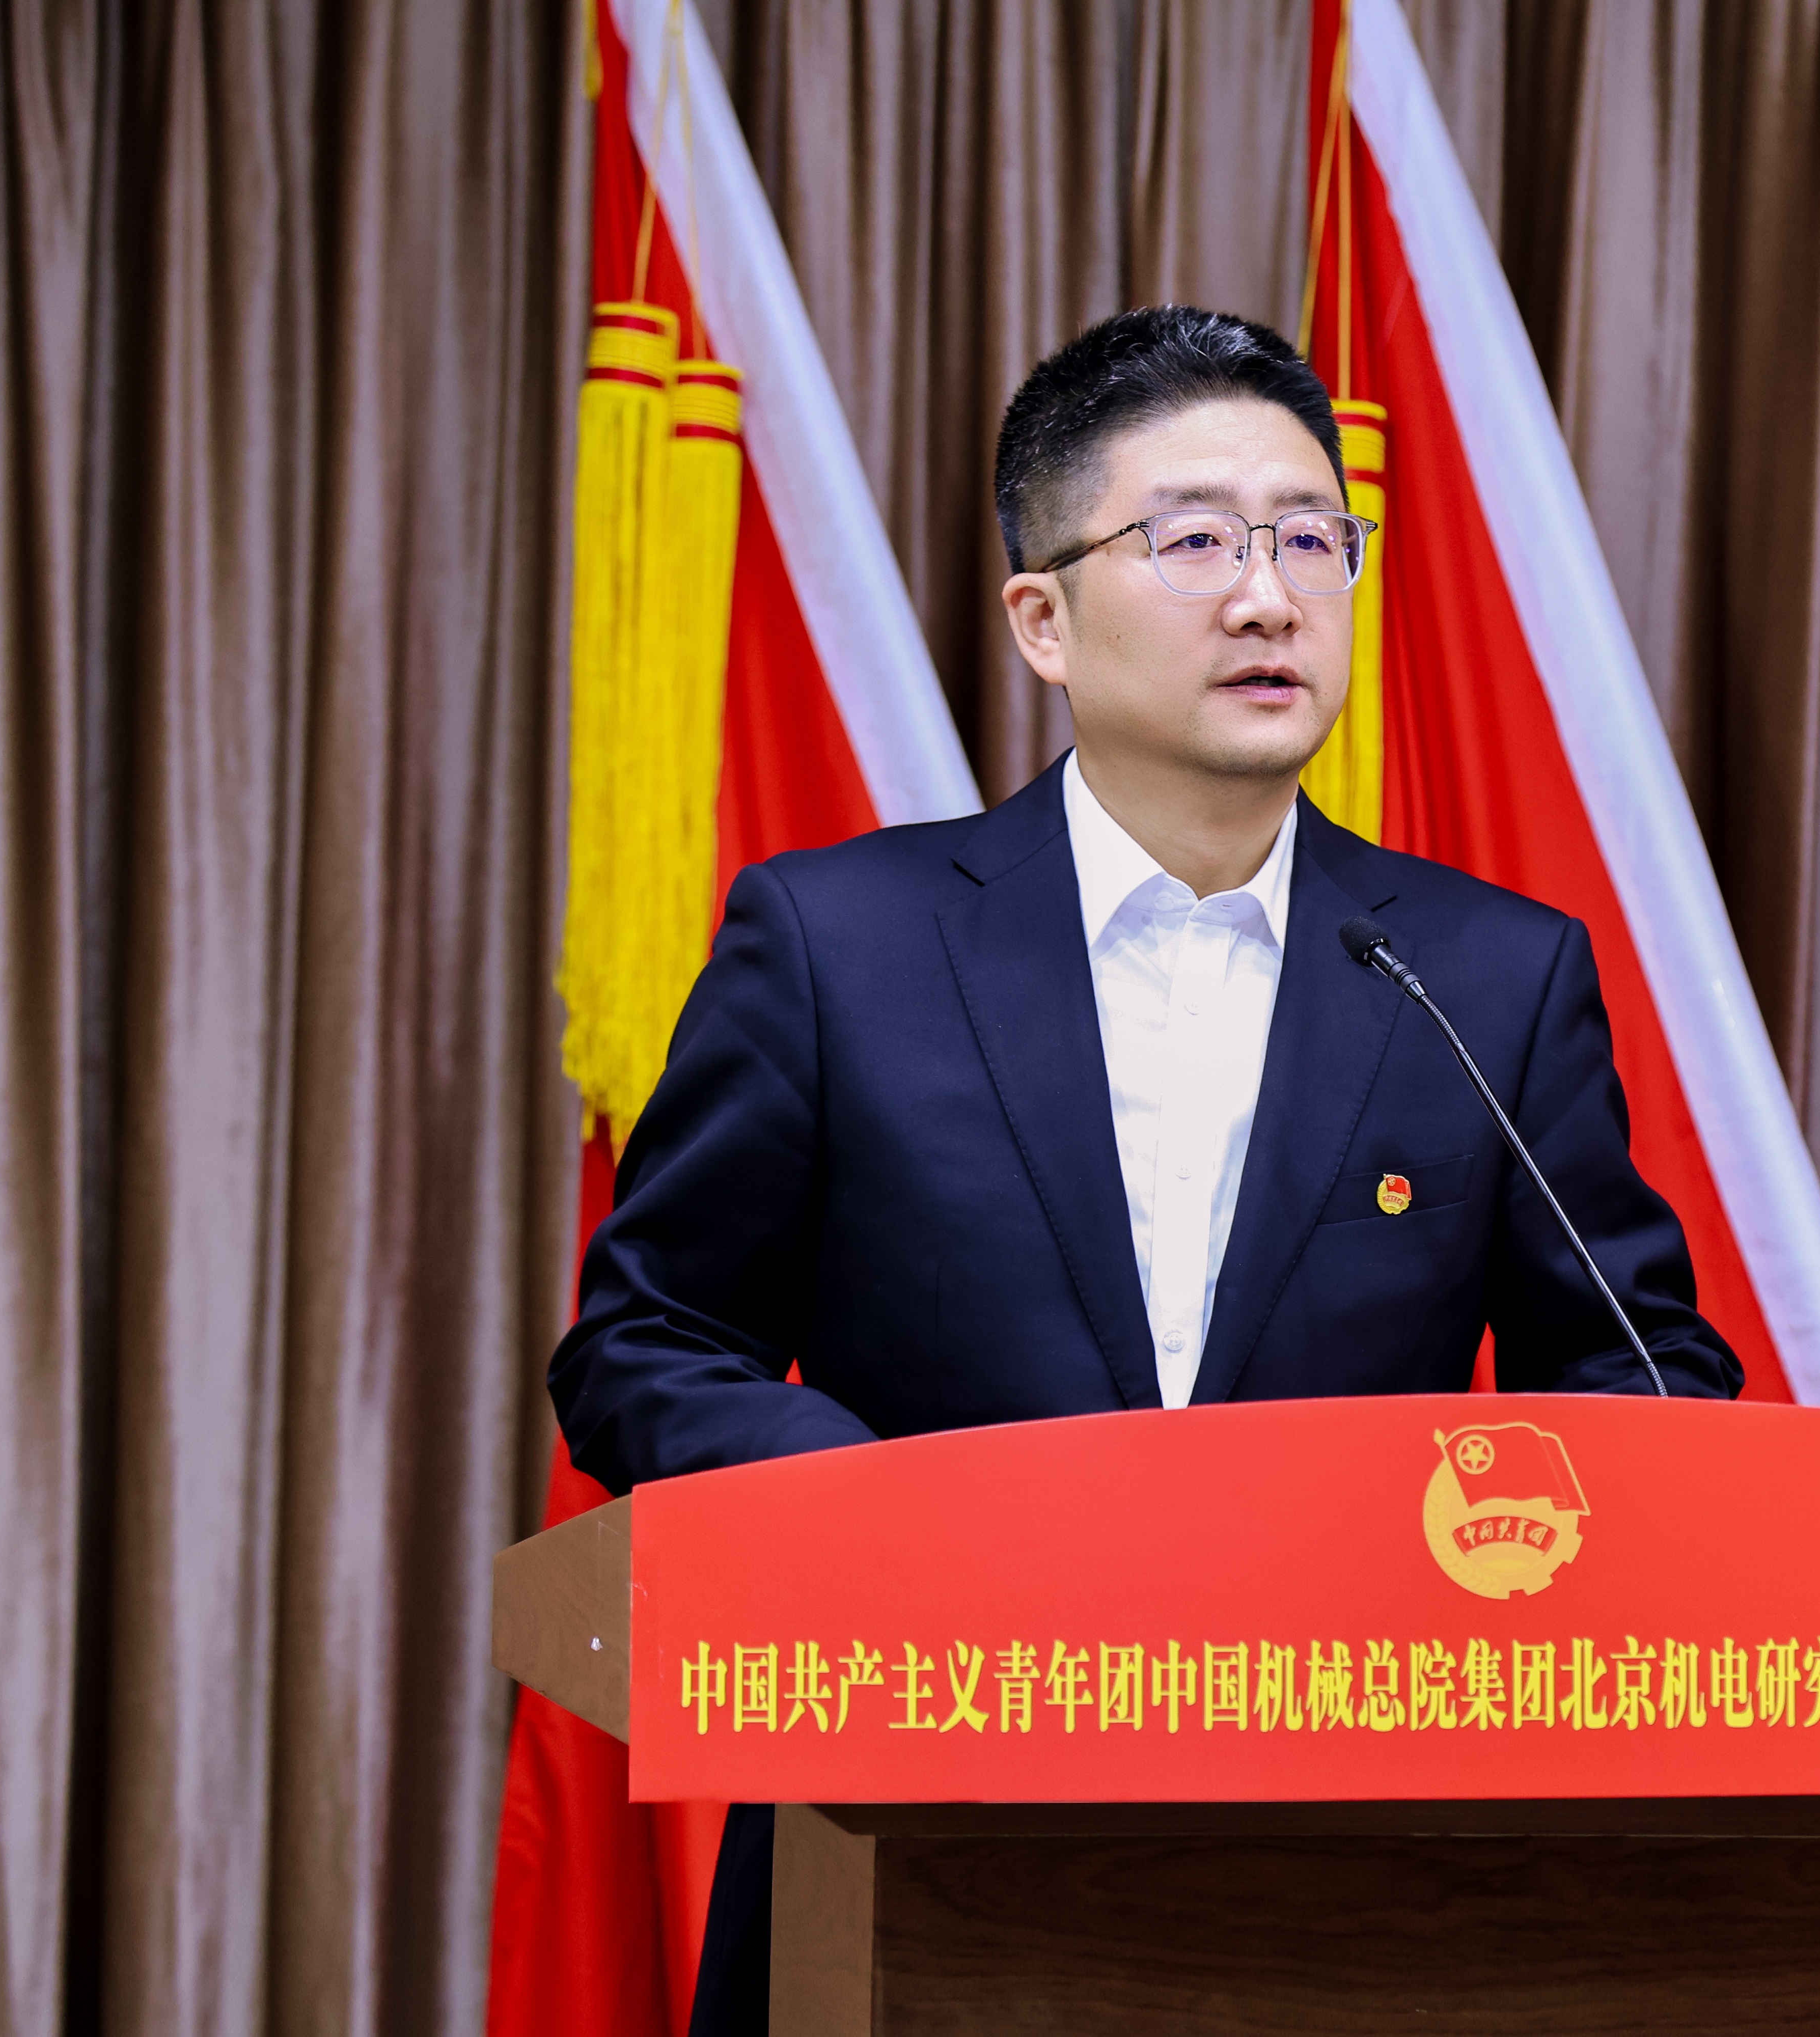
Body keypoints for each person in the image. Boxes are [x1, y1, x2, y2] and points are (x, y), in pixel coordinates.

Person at [548, 304, 1741, 2036]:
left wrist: (1500, 1544)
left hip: (1362, 1874)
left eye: (1311, 539)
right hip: (905, 1830)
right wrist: (871, 1513)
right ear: (1043, 618)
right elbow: (645, 1343)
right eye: (1194, 542)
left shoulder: (1488, 976)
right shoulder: (837, 945)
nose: (1269, 596)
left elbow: (1641, 1374)